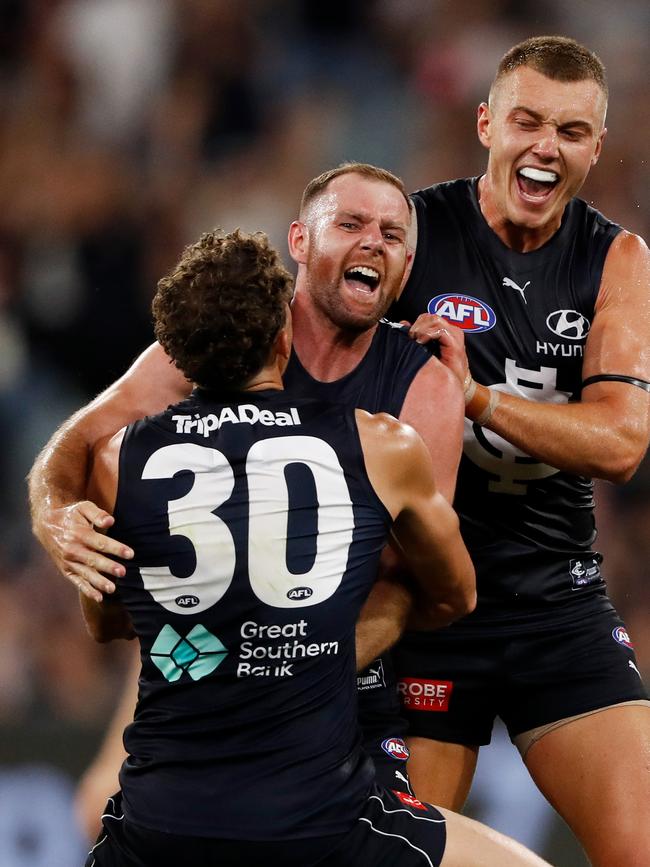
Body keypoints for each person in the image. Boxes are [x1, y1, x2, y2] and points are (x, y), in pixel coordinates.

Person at [78, 225, 553, 867]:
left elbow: (108, 619)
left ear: (180, 352)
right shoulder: (376, 443)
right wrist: (326, 644)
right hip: (314, 817)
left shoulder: (116, 460)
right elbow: (456, 592)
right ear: (283, 338)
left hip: (158, 820)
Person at [29, 163, 463, 804]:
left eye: (393, 233)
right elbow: (78, 442)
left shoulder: (422, 388)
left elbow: (407, 585)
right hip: (196, 661)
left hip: (335, 686)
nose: (374, 241)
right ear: (300, 240)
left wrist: (280, 686)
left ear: (406, 263)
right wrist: (52, 512)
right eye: (351, 223)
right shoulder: (218, 339)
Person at [388, 35, 650, 867]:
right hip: (425, 604)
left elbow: (620, 442)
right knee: (396, 854)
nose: (546, 146)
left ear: (595, 148)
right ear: (485, 124)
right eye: (528, 122)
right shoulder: (408, 232)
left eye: (571, 132)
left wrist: (472, 398)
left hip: (556, 601)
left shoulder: (618, 258)